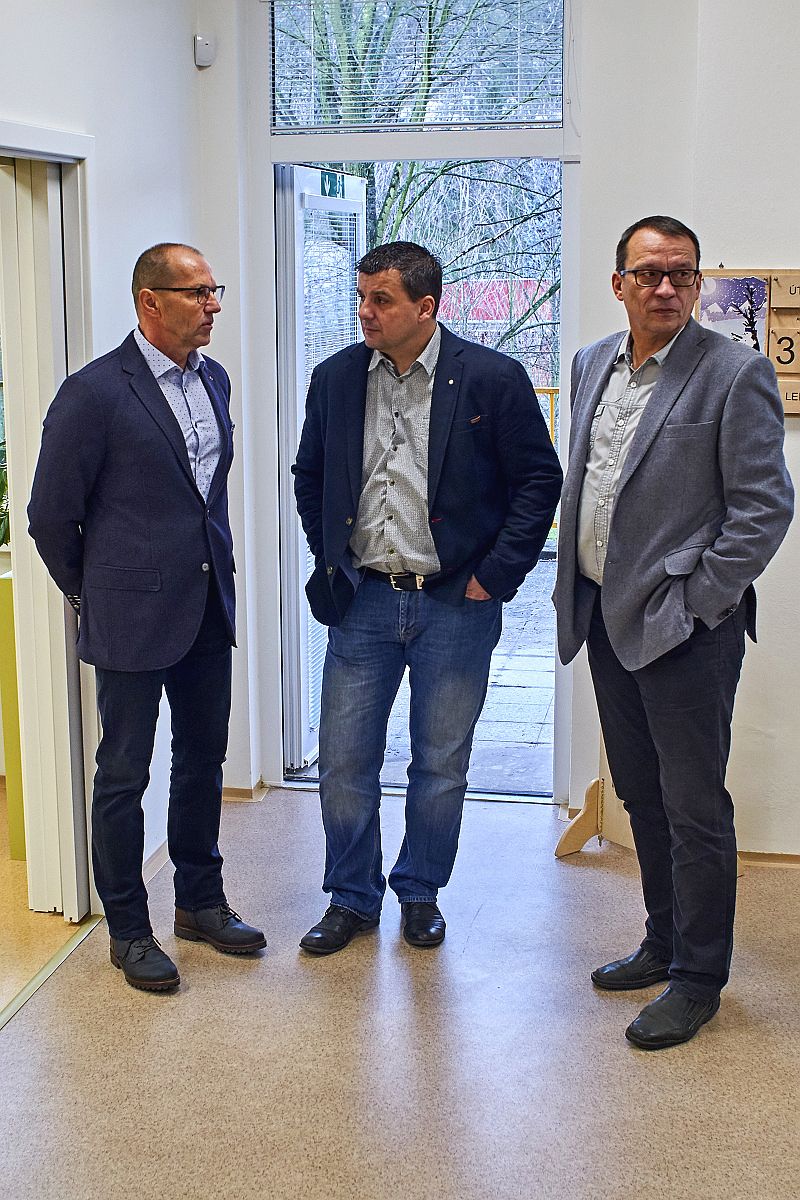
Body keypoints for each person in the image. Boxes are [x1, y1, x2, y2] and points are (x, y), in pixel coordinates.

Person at [554, 216, 793, 1048]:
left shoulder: (735, 372)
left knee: (695, 809)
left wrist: (699, 600)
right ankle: (661, 942)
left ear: (696, 284)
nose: (666, 288)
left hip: (684, 629)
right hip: (603, 615)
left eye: (682, 274)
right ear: (618, 283)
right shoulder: (591, 363)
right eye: (650, 273)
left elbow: (764, 508)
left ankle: (698, 979)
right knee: (640, 796)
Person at [293, 241, 562, 955]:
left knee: (440, 761)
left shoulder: (492, 378)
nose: (365, 312)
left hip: (456, 602)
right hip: (364, 599)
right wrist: (331, 554)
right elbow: (310, 475)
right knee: (344, 760)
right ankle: (351, 897)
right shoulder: (336, 378)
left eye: (380, 299)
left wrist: (495, 575)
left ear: (426, 306)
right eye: (361, 297)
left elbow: (539, 481)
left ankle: (420, 892)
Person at [28, 243, 265, 992]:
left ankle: (199, 902)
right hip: (129, 617)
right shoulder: (94, 393)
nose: (213, 305)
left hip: (206, 605)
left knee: (201, 759)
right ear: (150, 302)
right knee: (125, 773)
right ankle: (129, 929)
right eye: (197, 293)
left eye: (214, 290)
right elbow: (48, 517)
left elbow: (202, 499)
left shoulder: (215, 379)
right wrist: (91, 594)